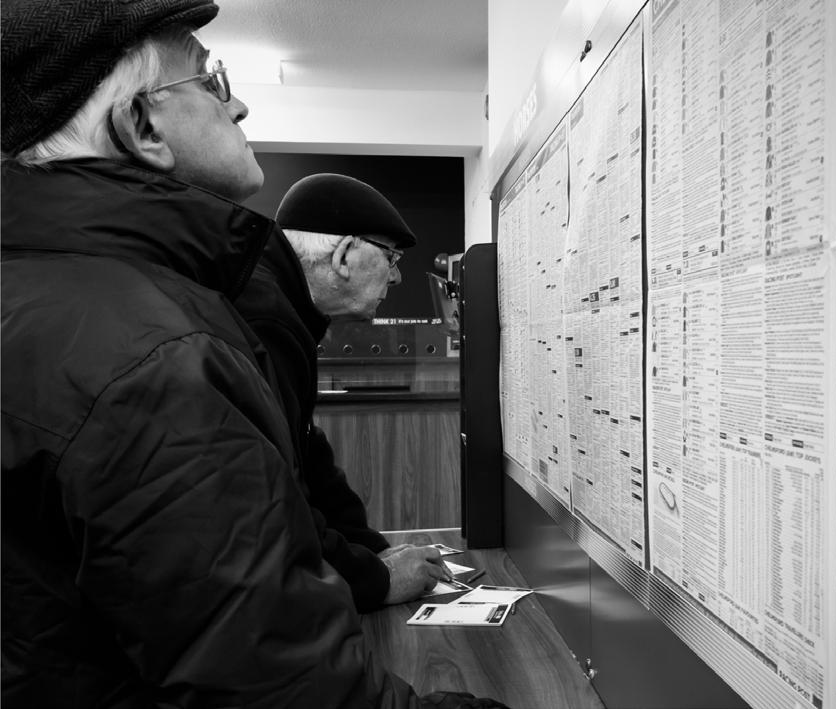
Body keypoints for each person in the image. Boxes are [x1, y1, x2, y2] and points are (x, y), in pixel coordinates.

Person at [0, 2, 505, 707]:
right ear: (142, 126)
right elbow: (279, 685)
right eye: (210, 82)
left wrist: (367, 559)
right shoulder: (158, 352)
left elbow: (297, 471)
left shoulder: (64, 296)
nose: (237, 106)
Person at [235, 173, 452, 611]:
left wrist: (372, 551)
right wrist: (377, 579)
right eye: (390, 257)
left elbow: (306, 452)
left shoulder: (281, 306)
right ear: (344, 255)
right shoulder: (263, 321)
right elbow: (273, 504)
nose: (396, 277)